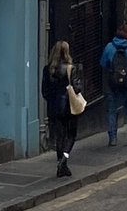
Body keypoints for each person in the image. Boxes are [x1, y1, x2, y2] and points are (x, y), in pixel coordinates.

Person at [41, 39, 79, 178]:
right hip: (68, 108)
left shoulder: (47, 69)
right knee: (71, 136)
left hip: (53, 108)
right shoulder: (70, 68)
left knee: (59, 137)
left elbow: (44, 91)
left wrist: (52, 101)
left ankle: (61, 165)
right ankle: (63, 160)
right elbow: (77, 88)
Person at [99, 24, 127, 145]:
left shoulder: (109, 47)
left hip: (112, 82)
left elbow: (103, 63)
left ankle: (113, 138)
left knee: (112, 110)